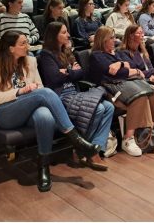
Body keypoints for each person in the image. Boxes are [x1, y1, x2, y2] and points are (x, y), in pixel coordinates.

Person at [0, 31, 100, 192]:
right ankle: (76, 138)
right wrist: (21, 92)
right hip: (6, 112)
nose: (27, 46)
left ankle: (43, 167)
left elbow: (40, 88)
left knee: (45, 116)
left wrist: (31, 92)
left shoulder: (30, 61)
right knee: (45, 94)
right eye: (22, 43)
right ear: (10, 48)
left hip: (31, 107)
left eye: (26, 42)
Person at [39, 22, 114, 170]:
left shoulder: (67, 51)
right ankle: (89, 153)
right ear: (54, 36)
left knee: (109, 106)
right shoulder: (46, 55)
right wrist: (71, 71)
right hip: (60, 97)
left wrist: (66, 72)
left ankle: (94, 147)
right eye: (64, 32)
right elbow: (54, 78)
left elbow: (81, 73)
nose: (68, 35)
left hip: (75, 92)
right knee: (98, 108)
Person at [89, 26, 154, 156]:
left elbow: (126, 67)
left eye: (114, 37)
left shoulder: (113, 53)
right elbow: (114, 73)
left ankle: (150, 131)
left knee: (152, 91)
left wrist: (121, 64)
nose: (114, 40)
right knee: (139, 97)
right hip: (108, 89)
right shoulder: (96, 55)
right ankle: (128, 139)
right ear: (103, 40)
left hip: (122, 84)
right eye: (111, 38)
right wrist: (124, 67)